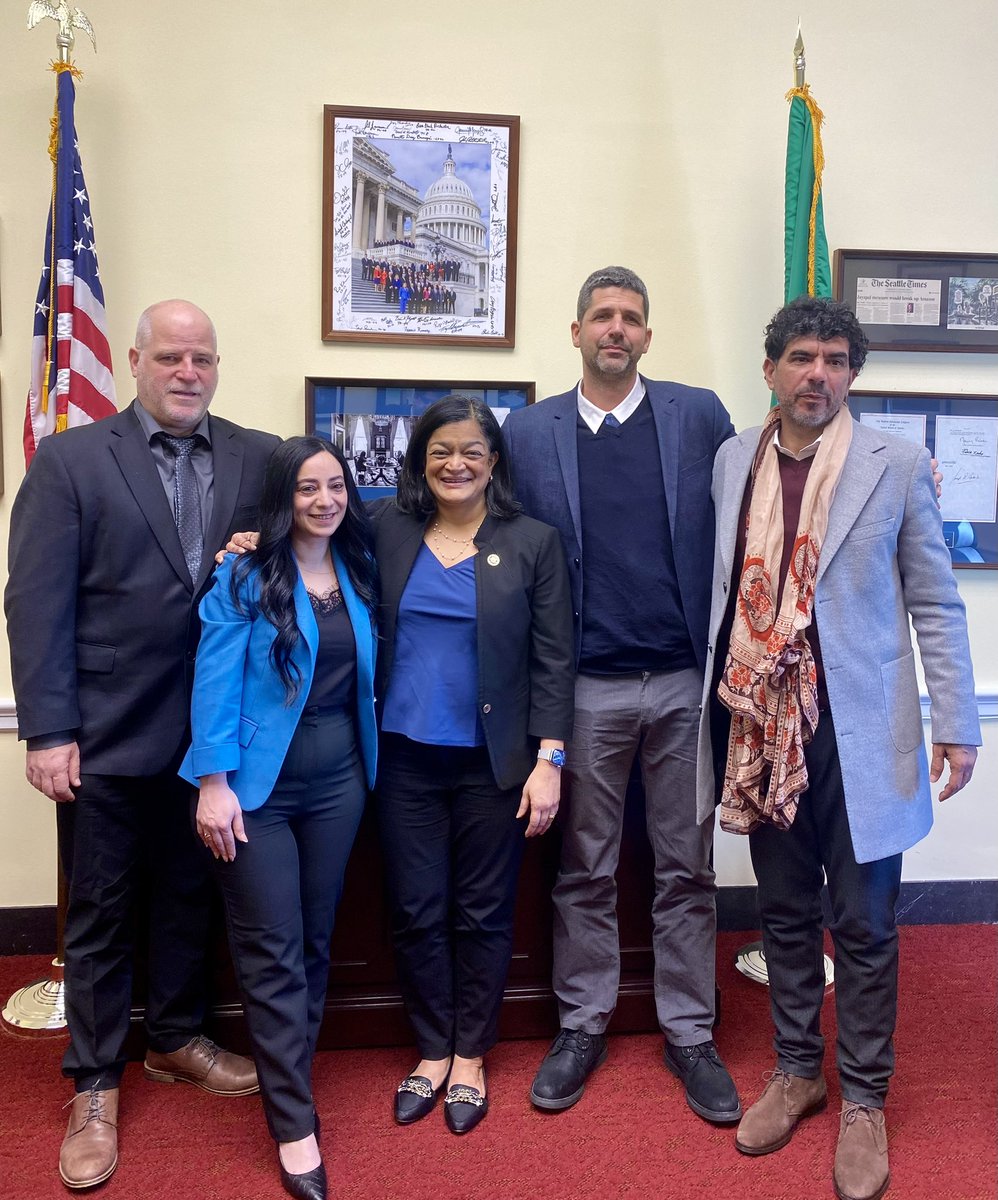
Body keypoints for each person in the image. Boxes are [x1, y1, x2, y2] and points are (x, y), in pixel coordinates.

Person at [696, 296, 979, 1200]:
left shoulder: (896, 466)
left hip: (862, 733)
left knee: (861, 925)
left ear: (850, 373)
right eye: (802, 358)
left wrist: (957, 719)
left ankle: (864, 1098)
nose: (818, 374)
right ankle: (796, 1069)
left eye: (834, 360)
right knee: (780, 916)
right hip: (762, 732)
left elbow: (935, 600)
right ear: (771, 368)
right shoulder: (732, 458)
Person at [4, 300, 277, 1190]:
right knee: (101, 913)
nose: (186, 371)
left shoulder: (258, 457)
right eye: (169, 357)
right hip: (109, 735)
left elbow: (309, 542)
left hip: (211, 740)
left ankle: (176, 1038)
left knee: (190, 898)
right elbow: (35, 600)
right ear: (133, 361)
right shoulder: (75, 460)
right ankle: (92, 1080)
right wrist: (49, 730)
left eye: (201, 356)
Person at [501, 266, 742, 1124]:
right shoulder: (528, 433)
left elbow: (768, 484)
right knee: (585, 867)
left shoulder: (698, 416)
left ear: (648, 334)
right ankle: (583, 1023)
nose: (616, 329)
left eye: (630, 318)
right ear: (574, 333)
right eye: (601, 316)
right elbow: (466, 518)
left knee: (687, 867)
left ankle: (690, 1030)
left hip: (683, 679)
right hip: (584, 690)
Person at [180, 437, 378, 1200]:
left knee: (318, 941)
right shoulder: (244, 571)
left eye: (334, 485)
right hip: (254, 792)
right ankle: (293, 1124)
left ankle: (290, 1075)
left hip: (341, 786)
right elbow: (213, 681)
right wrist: (213, 782)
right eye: (305, 489)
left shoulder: (358, 567)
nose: (323, 500)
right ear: (280, 498)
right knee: (271, 951)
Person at [371, 395, 575, 1134]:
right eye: (440, 452)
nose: (455, 464)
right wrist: (244, 539)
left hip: (498, 767)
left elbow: (555, 660)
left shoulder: (532, 542)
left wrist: (550, 758)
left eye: (471, 452)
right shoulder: (386, 529)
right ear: (421, 461)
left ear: (494, 463)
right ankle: (431, 1049)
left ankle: (470, 1056)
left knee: (483, 913)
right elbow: (304, 548)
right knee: (417, 910)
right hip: (402, 762)